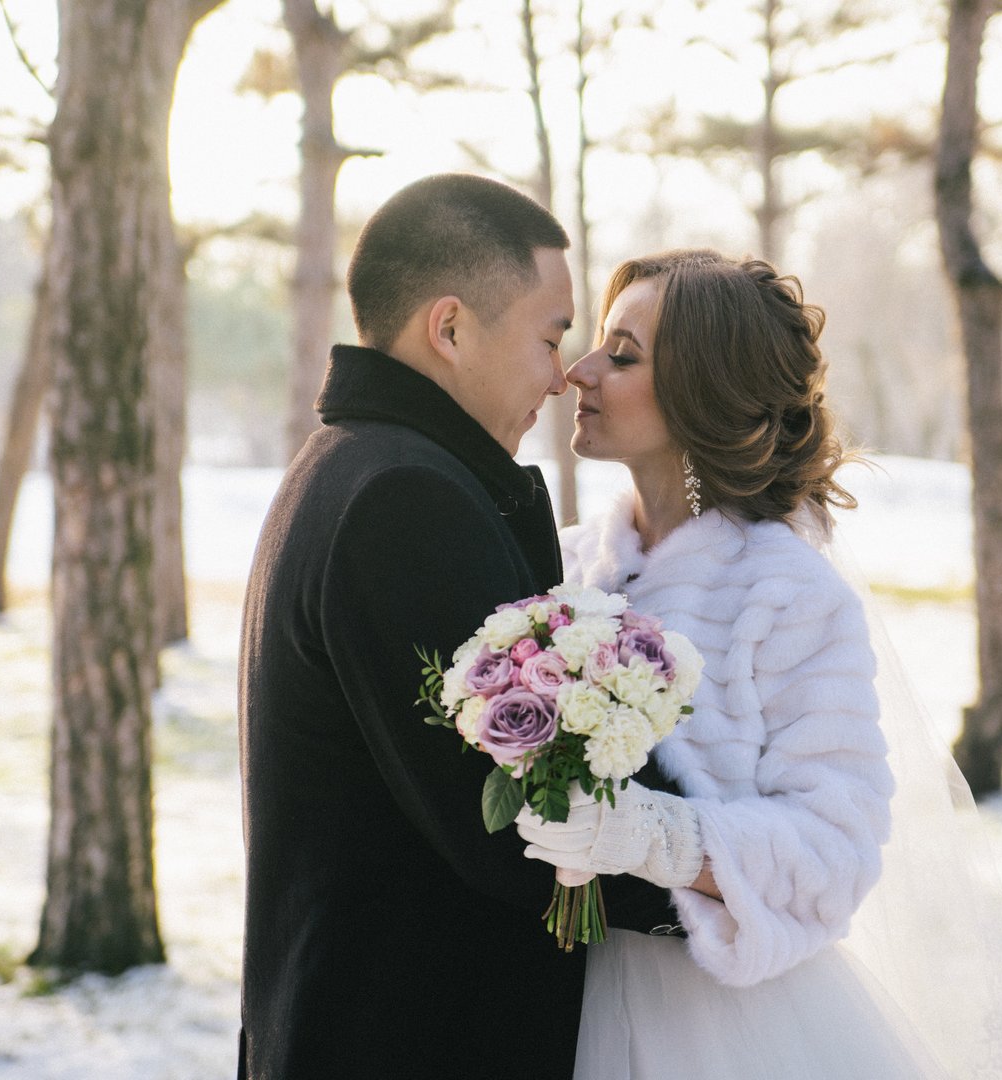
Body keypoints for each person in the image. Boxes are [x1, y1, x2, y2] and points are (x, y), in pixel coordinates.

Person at [517, 250, 1002, 1078]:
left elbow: (835, 848)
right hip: (551, 1004)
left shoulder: (789, 594)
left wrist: (652, 837)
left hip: (724, 1033)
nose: (580, 373)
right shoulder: (563, 565)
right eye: (595, 345)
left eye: (622, 355)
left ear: (701, 390)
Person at [236, 174, 680, 1080]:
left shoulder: (355, 464)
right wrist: (737, 872)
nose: (562, 377)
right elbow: (510, 822)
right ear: (449, 328)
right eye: (550, 336)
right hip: (409, 1041)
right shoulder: (405, 500)